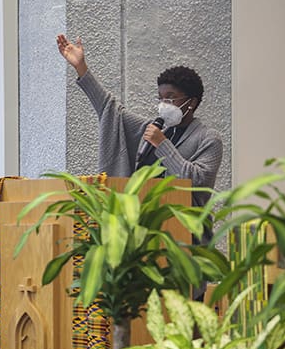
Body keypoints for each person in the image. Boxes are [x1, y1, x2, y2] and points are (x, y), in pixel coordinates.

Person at [55, 34, 223, 218]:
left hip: (186, 232)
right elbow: (110, 109)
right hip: (143, 229)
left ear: (191, 102)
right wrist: (81, 68)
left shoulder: (208, 138)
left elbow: (198, 182)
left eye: (171, 97)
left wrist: (162, 145)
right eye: (161, 98)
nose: (164, 103)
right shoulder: (155, 129)